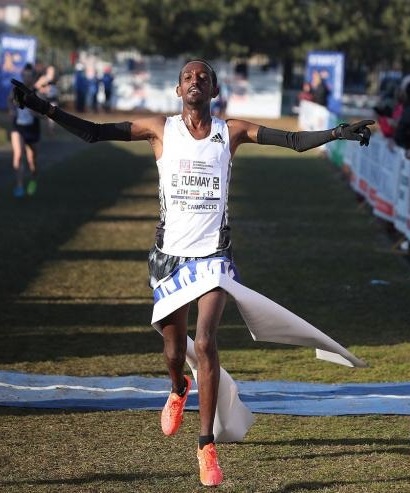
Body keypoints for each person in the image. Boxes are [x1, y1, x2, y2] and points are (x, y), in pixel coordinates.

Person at [11, 59, 373, 487]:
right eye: (188, 77)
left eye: (203, 77)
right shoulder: (159, 130)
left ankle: (206, 446)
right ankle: (179, 387)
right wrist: (43, 107)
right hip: (168, 256)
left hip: (213, 256)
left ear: (214, 90)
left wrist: (337, 132)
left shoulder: (230, 132)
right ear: (178, 90)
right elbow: (94, 132)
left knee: (204, 342)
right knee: (173, 349)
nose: (195, 81)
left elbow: (293, 140)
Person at [7, 63, 41, 198]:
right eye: (25, 76)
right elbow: (10, 100)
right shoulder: (16, 89)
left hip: (32, 128)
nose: (27, 78)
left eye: (29, 76)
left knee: (32, 159)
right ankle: (19, 186)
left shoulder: (37, 92)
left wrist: (36, 113)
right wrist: (11, 110)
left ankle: (33, 178)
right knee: (18, 154)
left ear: (33, 78)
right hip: (18, 127)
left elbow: (45, 113)